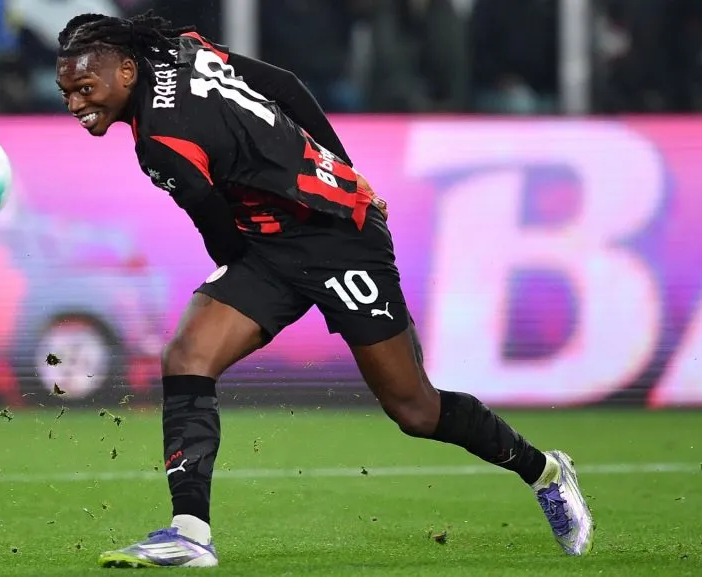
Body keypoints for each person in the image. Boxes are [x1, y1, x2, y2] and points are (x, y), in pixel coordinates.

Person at [54, 11, 594, 569]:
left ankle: (545, 471)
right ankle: (190, 534)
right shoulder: (179, 50)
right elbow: (285, 85)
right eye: (66, 91)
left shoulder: (163, 146)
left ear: (125, 70)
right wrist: (344, 169)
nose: (74, 104)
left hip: (339, 237)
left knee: (415, 408)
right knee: (188, 355)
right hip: (274, 242)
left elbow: (221, 238)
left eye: (85, 89)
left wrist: (315, 217)